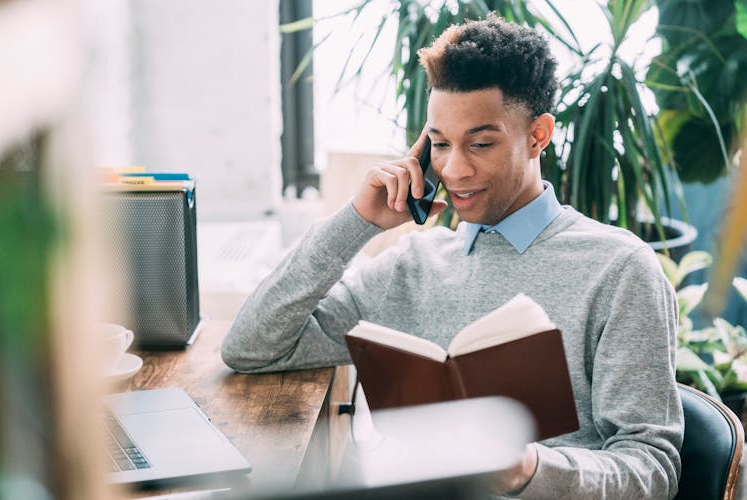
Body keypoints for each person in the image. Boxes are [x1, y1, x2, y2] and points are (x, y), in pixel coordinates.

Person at [222, 15, 683, 499]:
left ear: (538, 135)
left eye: (480, 144)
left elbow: (652, 469)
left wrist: (527, 468)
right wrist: (356, 220)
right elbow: (252, 348)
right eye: (440, 144)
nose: (455, 169)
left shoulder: (619, 268)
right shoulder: (414, 264)